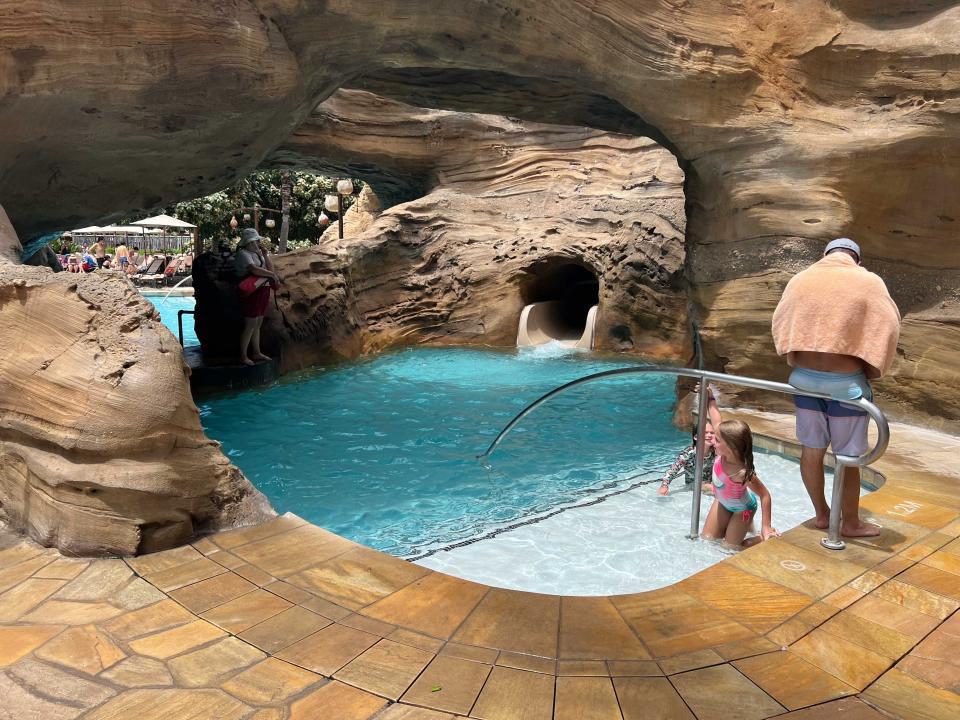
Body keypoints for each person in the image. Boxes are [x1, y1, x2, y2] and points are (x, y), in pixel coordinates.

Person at [772, 238, 901, 537]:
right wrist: (871, 367)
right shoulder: (867, 281)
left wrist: (791, 353)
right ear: (856, 258)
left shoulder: (801, 279)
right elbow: (889, 324)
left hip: (803, 380)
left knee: (811, 450)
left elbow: (780, 318)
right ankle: (852, 524)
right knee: (848, 457)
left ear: (825, 255)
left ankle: (821, 515)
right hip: (846, 387)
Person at [700, 387, 779, 548]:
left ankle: (758, 537)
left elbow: (764, 495)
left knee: (730, 548)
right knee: (707, 539)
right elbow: (716, 418)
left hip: (742, 509)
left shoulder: (742, 473)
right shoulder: (720, 453)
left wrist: (766, 527)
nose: (713, 441)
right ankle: (746, 527)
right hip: (723, 501)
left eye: (717, 440)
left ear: (731, 447)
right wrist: (710, 397)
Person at [234, 228, 280, 366]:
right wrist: (271, 276)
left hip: (262, 289)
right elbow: (253, 269)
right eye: (256, 241)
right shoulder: (243, 254)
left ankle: (256, 352)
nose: (258, 243)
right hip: (252, 291)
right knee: (250, 323)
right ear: (249, 242)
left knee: (258, 322)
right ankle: (243, 355)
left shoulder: (258, 254)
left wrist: (265, 255)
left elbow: (270, 270)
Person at [657, 421, 716, 495]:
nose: (709, 435)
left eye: (712, 433)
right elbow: (673, 470)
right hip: (693, 485)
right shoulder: (688, 453)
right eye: (705, 432)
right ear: (696, 437)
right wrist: (664, 486)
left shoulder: (716, 452)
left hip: (709, 484)